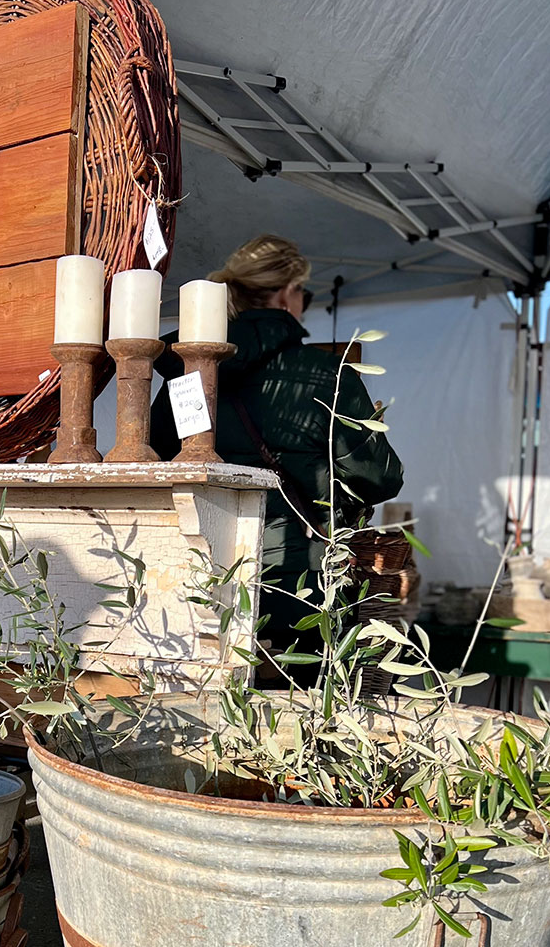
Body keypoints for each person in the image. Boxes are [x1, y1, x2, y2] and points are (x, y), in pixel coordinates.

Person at [151, 234, 404, 652]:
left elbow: (158, 463)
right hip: (301, 586)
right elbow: (381, 480)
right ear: (287, 294)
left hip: (198, 581)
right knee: (303, 708)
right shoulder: (326, 374)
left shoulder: (185, 377)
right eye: (302, 290)